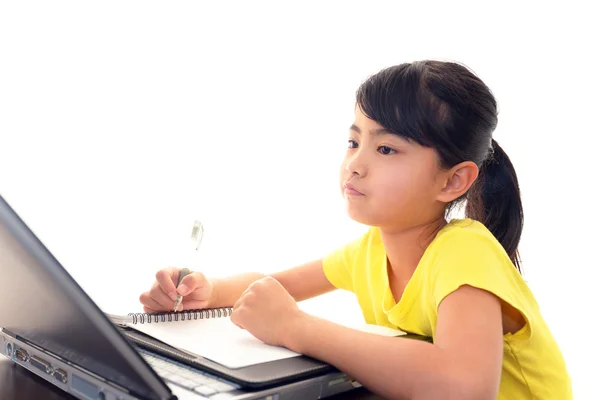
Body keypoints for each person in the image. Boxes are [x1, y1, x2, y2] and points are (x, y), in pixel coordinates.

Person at [140, 60, 572, 399]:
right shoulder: (370, 251)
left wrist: (297, 328)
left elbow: (463, 387)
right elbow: (274, 286)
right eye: (353, 142)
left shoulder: (464, 251)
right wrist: (207, 292)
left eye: (385, 148)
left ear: (452, 181)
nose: (356, 164)